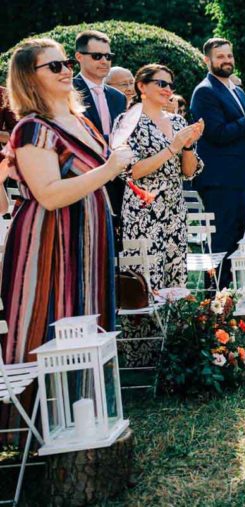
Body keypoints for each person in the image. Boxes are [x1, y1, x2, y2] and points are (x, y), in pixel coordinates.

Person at [1, 38, 132, 364]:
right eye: (55, 65)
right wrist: (110, 168)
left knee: (87, 320)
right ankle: (39, 413)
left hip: (88, 242)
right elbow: (49, 193)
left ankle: (84, 408)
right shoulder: (31, 129)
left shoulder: (82, 121)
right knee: (50, 325)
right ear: (30, 76)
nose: (66, 71)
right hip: (50, 244)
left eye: (67, 64)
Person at [190, 38, 245, 288]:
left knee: (236, 239)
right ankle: (215, 301)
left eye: (229, 56)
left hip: (239, 177)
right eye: (220, 56)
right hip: (219, 179)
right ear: (207, 60)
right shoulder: (205, 92)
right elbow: (218, 134)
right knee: (221, 242)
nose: (227, 60)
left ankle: (230, 296)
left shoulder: (237, 90)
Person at [111, 64, 204, 288]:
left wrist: (188, 146)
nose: (167, 89)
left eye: (170, 85)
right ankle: (145, 324)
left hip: (174, 208)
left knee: (175, 274)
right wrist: (173, 148)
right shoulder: (127, 122)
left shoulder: (178, 122)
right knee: (146, 278)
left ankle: (174, 323)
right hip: (143, 210)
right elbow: (131, 171)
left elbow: (189, 172)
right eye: (161, 83)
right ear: (141, 86)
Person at [73, 30, 127, 246]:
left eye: (108, 56)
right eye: (97, 56)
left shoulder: (118, 97)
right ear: (79, 57)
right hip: (81, 177)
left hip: (115, 182)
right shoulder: (67, 91)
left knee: (113, 248)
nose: (104, 61)